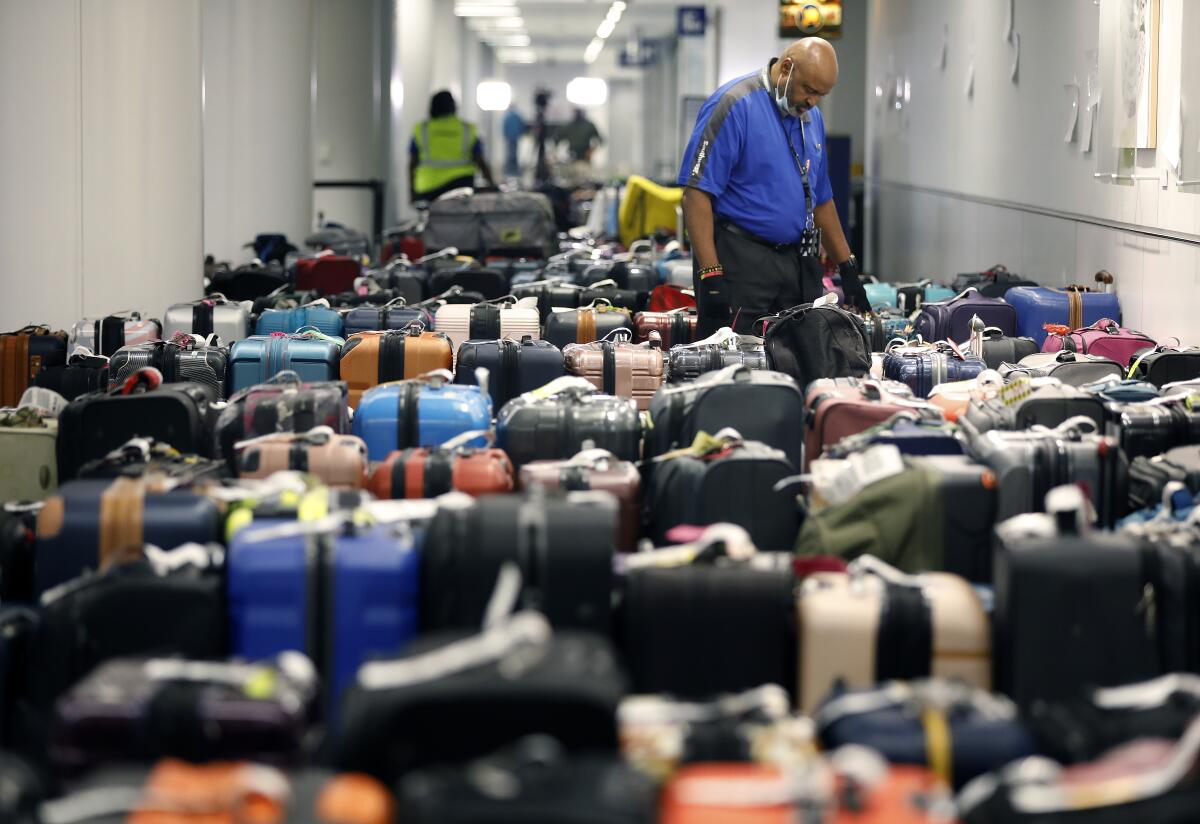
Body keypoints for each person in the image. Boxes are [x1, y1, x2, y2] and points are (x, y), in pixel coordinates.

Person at [678, 38, 870, 337]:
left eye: (822, 95)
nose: (813, 102)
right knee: (736, 368)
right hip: (742, 262)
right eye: (809, 90)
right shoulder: (734, 104)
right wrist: (710, 274)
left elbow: (821, 201)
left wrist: (847, 267)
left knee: (799, 359)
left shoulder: (810, 118)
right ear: (787, 68)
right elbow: (696, 193)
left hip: (796, 264)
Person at [410, 90, 496, 204]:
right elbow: (480, 161)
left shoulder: (422, 129)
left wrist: (412, 193)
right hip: (461, 186)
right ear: (454, 107)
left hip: (428, 188)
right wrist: (492, 185)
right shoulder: (467, 129)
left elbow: (412, 164)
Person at [502, 106, 528, 178]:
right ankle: (512, 171)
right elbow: (522, 125)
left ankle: (511, 171)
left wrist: (506, 135)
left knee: (511, 154)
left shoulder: (508, 117)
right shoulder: (517, 116)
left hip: (511, 137)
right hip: (515, 137)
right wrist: (520, 134)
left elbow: (505, 127)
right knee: (513, 154)